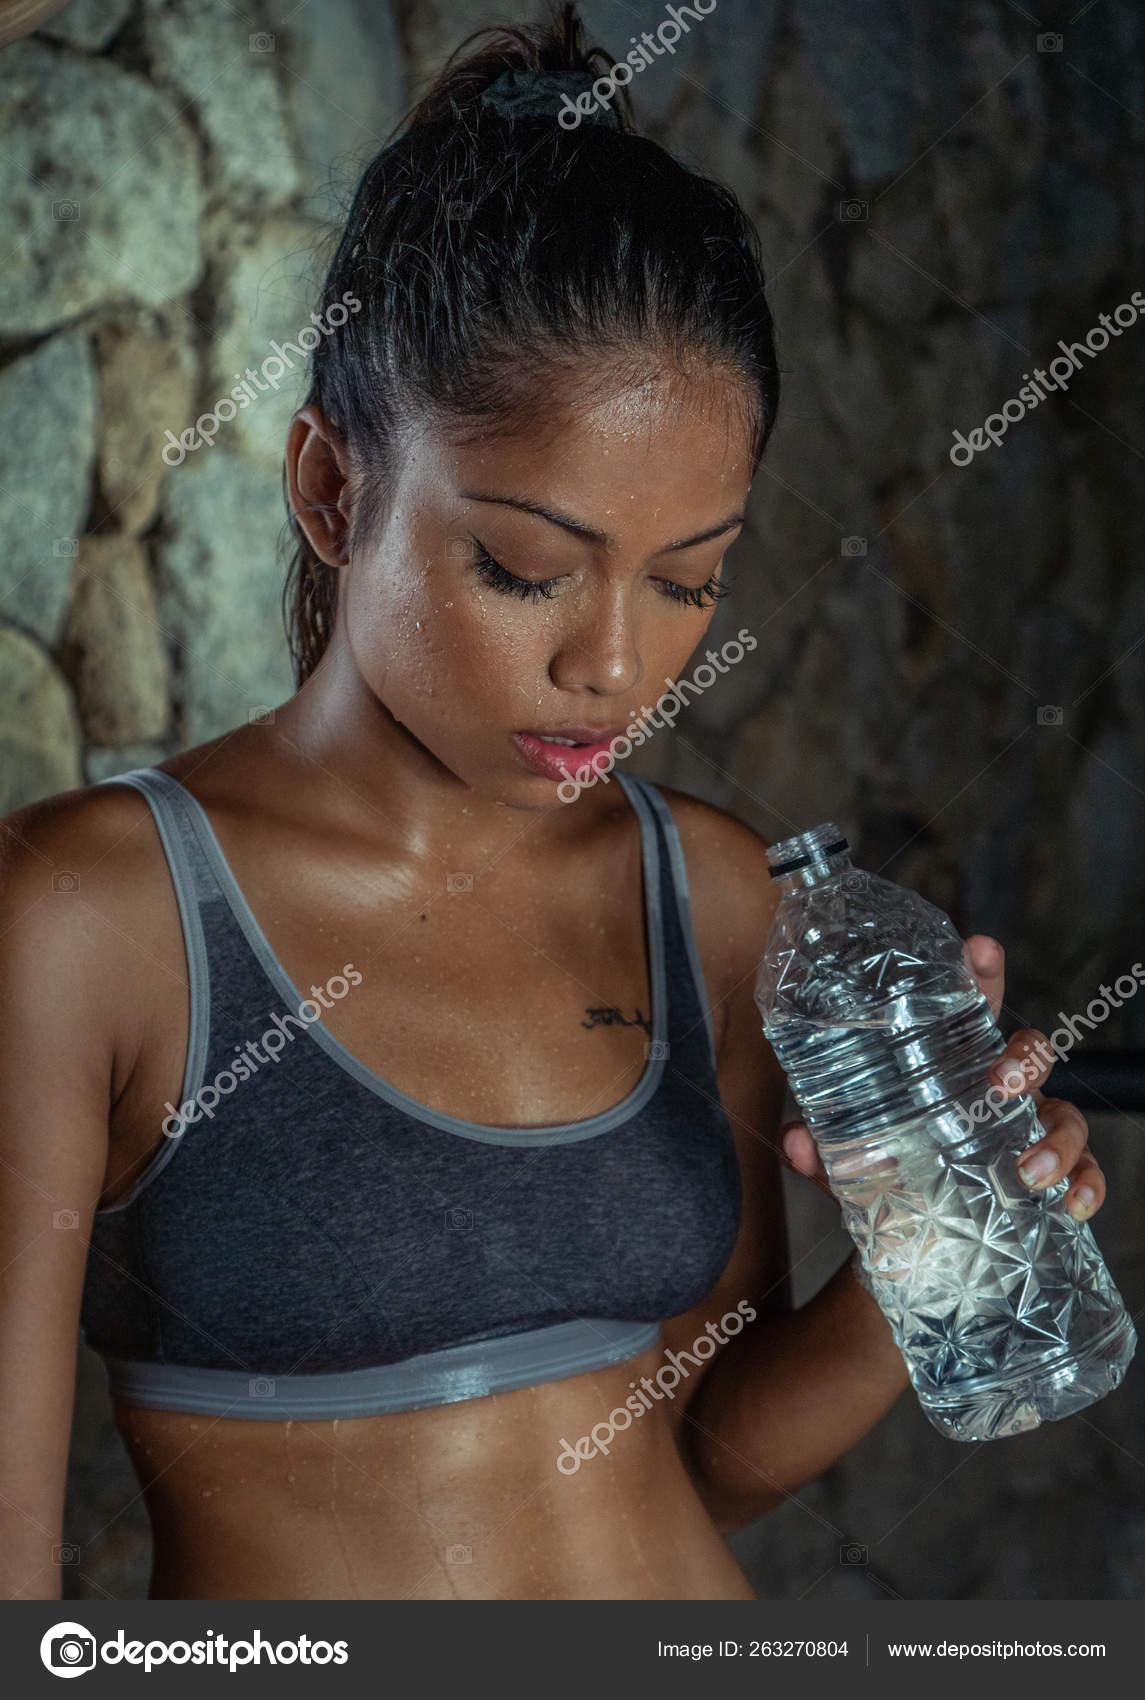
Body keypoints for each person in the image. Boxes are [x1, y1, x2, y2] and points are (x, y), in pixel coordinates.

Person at [0, 3, 1105, 1603]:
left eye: (686, 585)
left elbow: (701, 1455)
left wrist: (933, 1243)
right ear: (330, 487)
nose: (613, 665)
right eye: (525, 568)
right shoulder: (89, 916)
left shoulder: (713, 901)